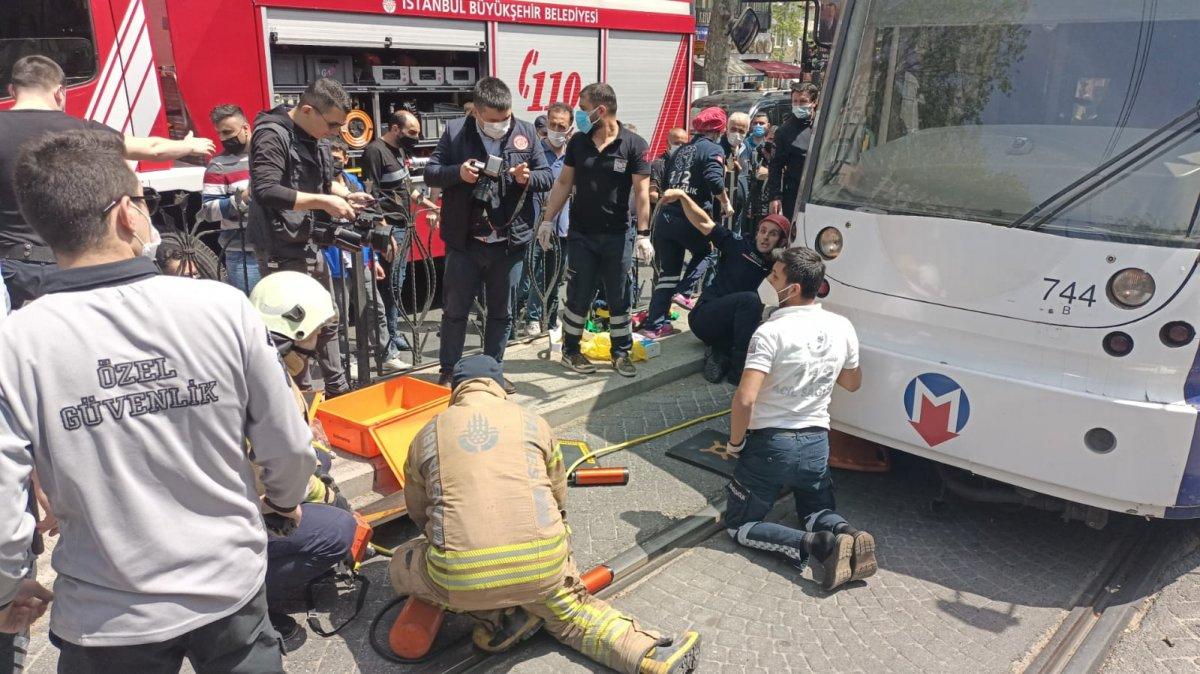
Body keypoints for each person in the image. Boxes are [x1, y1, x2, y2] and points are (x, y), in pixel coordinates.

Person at [0, 129, 314, 671]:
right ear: (126, 214)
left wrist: (8, 586)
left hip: (104, 612)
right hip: (228, 586)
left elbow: (4, 507)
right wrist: (284, 500)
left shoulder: (15, 342)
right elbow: (286, 442)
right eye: (146, 203)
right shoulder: (223, 308)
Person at [388, 354, 702, 673]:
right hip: (543, 565)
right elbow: (557, 495)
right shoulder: (532, 421)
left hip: (461, 579)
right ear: (499, 386)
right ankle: (649, 656)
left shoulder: (427, 435)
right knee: (570, 614)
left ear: (456, 390)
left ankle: (499, 616)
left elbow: (419, 511)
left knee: (402, 561)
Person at [0, 55, 213, 309]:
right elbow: (151, 148)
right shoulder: (82, 130)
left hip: (12, 271)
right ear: (59, 92)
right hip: (70, 265)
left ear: (12, 90)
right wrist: (188, 145)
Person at [722, 247, 876, 592]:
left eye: (774, 277)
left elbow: (744, 398)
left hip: (771, 446)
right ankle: (848, 534)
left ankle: (821, 546)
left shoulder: (769, 333)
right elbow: (852, 383)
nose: (768, 280)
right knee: (815, 507)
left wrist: (735, 444)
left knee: (738, 525)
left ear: (791, 289)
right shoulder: (841, 326)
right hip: (817, 444)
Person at [248, 271, 359, 639]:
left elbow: (300, 449)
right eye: (315, 333)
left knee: (321, 463)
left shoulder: (261, 367)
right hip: (241, 514)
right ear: (290, 335)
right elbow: (275, 476)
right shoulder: (266, 386)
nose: (318, 343)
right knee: (337, 529)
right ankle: (245, 603)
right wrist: (327, 498)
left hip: (236, 502)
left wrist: (317, 458)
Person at [424, 77, 552, 392]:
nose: (501, 125)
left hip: (509, 243)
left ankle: (493, 371)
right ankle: (449, 371)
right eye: (494, 121)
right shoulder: (456, 132)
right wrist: (458, 173)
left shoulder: (525, 132)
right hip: (465, 243)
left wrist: (526, 179)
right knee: (455, 311)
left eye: (506, 118)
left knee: (502, 313)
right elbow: (430, 171)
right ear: (478, 114)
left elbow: (547, 176)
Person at [247, 77, 373, 397]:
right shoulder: (271, 135)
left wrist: (344, 195)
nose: (334, 132)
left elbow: (318, 184)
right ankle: (297, 397)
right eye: (332, 124)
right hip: (281, 246)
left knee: (326, 320)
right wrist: (323, 202)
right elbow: (266, 190)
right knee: (294, 330)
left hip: (308, 241)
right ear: (307, 110)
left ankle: (337, 390)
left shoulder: (317, 137)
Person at [537, 83, 652, 378]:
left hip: (617, 235)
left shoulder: (633, 144)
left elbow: (641, 191)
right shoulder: (578, 142)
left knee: (619, 296)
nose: (580, 114)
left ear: (601, 110)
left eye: (583, 107)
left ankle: (621, 352)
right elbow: (564, 183)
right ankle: (571, 351)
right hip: (582, 235)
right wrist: (548, 220)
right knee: (578, 295)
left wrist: (643, 233)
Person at [657, 189, 788, 384]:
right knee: (751, 300)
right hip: (704, 317)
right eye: (763, 231)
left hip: (736, 326)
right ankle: (738, 373)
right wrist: (684, 198)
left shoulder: (776, 268)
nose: (765, 237)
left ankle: (719, 352)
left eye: (773, 234)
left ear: (781, 241)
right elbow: (704, 223)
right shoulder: (738, 245)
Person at [640, 107, 730, 339]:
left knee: (668, 273)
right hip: (691, 214)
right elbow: (714, 181)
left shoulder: (682, 150)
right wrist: (726, 203)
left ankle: (654, 325)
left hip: (665, 216)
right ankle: (685, 291)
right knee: (708, 253)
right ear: (719, 129)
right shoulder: (713, 149)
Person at [360, 110, 423, 360]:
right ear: (395, 128)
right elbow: (371, 193)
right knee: (389, 285)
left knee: (398, 282)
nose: (416, 137)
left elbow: (404, 187)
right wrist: (384, 232)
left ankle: (394, 332)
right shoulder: (375, 151)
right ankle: (386, 341)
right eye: (412, 132)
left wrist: (428, 204)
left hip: (404, 225)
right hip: (391, 228)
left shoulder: (399, 150)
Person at [522, 104, 572, 336]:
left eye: (561, 126)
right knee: (535, 273)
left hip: (562, 227)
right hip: (535, 224)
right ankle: (532, 318)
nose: (556, 129)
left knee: (556, 275)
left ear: (570, 127)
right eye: (552, 124)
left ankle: (551, 318)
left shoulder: (573, 156)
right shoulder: (536, 152)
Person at [199, 104, 258, 295]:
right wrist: (242, 199)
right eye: (220, 133)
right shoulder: (218, 165)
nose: (224, 138)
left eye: (228, 132)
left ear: (246, 128)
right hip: (243, 256)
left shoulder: (268, 155)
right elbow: (207, 211)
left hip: (278, 250)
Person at [768, 82, 818, 219]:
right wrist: (775, 196)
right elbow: (775, 166)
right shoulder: (784, 132)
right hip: (794, 194)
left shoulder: (823, 127)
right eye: (795, 101)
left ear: (813, 102)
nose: (798, 105)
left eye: (803, 101)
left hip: (820, 193)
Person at [741, 112, 772, 236]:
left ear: (768, 126)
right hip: (746, 197)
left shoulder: (770, 146)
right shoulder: (744, 145)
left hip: (763, 199)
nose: (758, 126)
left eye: (762, 123)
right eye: (755, 123)